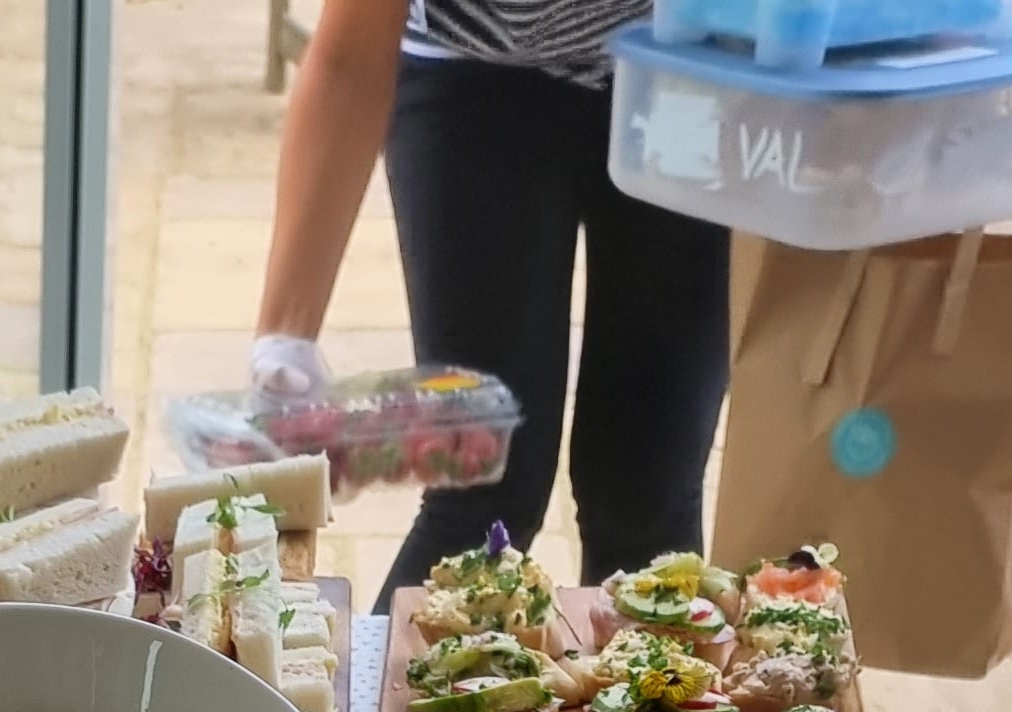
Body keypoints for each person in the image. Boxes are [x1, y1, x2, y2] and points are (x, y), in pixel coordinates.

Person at [251, 0, 731, 597]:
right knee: (484, 488)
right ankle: (384, 685)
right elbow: (348, 58)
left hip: (696, 78)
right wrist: (284, 340)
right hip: (473, 74)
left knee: (648, 498)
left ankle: (650, 685)